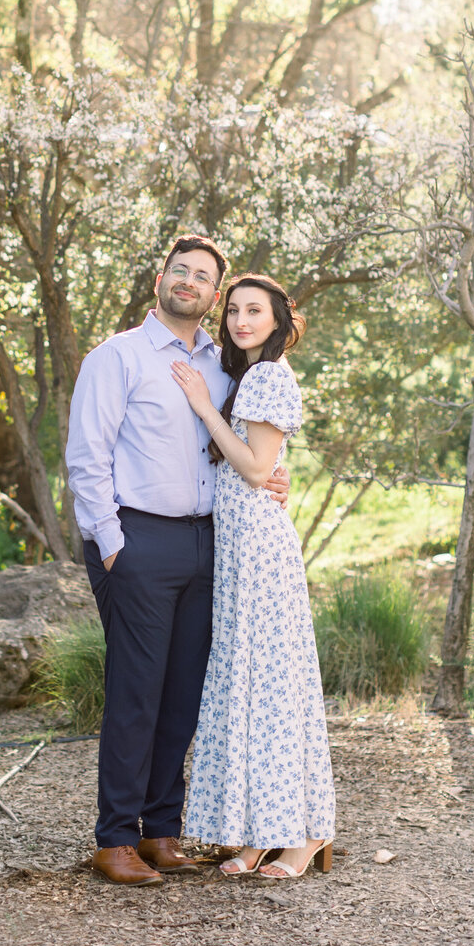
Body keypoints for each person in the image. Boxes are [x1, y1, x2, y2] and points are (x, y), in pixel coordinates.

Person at [65, 235, 291, 886]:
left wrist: (277, 477)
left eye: (203, 277)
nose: (190, 282)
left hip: (210, 543)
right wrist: (112, 545)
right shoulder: (118, 358)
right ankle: (115, 839)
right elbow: (88, 458)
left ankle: (162, 830)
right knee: (136, 694)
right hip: (139, 541)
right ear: (160, 279)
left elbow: (253, 444)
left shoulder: (225, 365)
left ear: (215, 297)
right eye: (181, 271)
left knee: (184, 696)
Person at [171, 273, 336, 878]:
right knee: (247, 686)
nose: (242, 321)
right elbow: (262, 468)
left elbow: (254, 465)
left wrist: (203, 408)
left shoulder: (267, 376)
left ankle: (305, 836)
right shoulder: (247, 378)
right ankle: (258, 831)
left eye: (255, 311)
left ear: (277, 321)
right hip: (238, 549)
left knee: (274, 687)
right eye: (234, 310)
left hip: (261, 554)